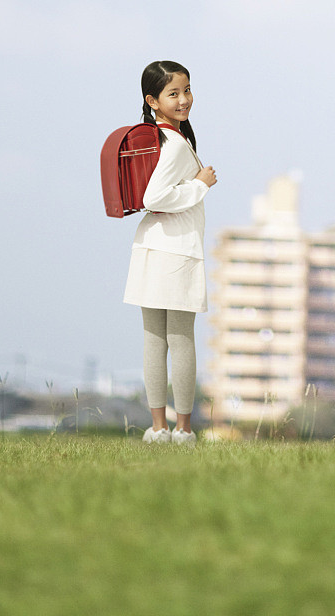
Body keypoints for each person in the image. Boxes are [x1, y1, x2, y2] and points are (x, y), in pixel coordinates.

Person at [123, 60, 217, 446]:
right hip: (176, 250)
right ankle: (183, 429)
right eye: (173, 93)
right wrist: (201, 185)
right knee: (180, 339)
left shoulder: (158, 139)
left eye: (187, 90)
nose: (184, 100)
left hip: (149, 246)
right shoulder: (176, 145)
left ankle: (158, 427)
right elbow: (154, 197)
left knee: (153, 340)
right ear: (153, 101)